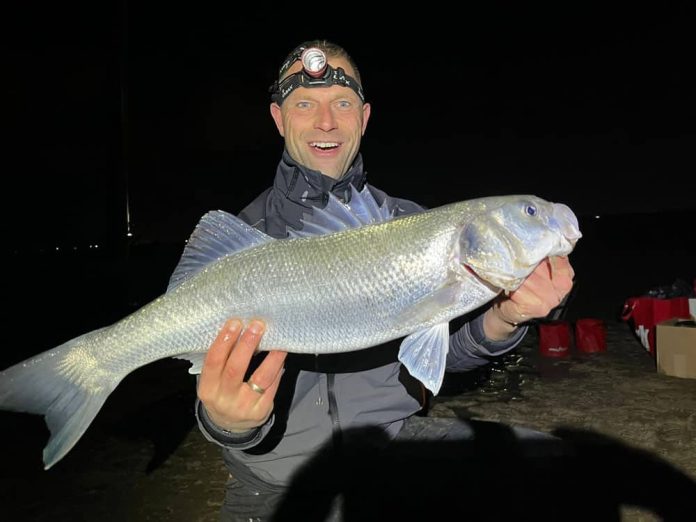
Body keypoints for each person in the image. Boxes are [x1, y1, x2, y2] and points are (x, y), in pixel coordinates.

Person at [180, 39, 576, 521]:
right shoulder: (245, 242)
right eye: (305, 104)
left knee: (557, 465)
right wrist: (227, 423)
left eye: (341, 103)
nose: (325, 122)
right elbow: (215, 389)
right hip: (275, 480)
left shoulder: (407, 223)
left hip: (393, 455)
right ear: (279, 119)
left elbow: (443, 354)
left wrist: (506, 316)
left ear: (363, 118)